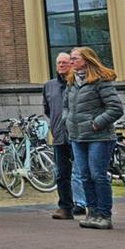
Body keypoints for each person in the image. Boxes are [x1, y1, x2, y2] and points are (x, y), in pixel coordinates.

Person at [64, 46, 124, 230]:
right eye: (71, 58)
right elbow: (66, 106)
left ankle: (105, 214)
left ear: (86, 60)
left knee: (98, 174)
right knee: (84, 175)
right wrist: (67, 119)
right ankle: (92, 213)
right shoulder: (72, 82)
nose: (71, 61)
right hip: (78, 136)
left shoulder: (101, 81)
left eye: (74, 58)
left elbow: (115, 108)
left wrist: (97, 123)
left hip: (100, 136)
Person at [43, 52, 76, 219]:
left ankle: (88, 205)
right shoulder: (49, 86)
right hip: (59, 136)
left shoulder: (77, 83)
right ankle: (65, 207)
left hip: (77, 135)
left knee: (83, 172)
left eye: (64, 62)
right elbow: (48, 110)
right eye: (58, 63)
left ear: (71, 64)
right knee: (61, 174)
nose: (61, 65)